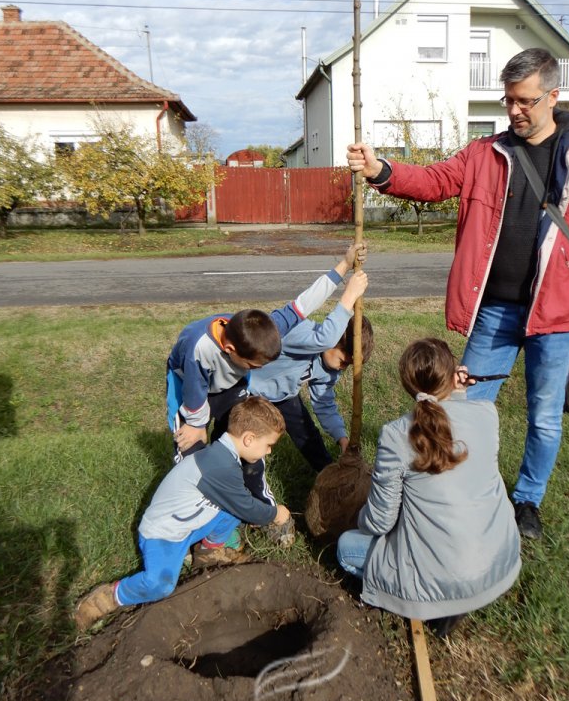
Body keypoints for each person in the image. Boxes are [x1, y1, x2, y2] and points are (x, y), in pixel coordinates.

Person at [347, 48, 569, 540]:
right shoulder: (486, 153)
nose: (515, 111)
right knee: (463, 405)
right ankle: (457, 487)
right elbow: (436, 180)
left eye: (525, 101)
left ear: (553, 96)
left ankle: (527, 501)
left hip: (558, 313)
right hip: (496, 312)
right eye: (509, 100)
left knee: (544, 416)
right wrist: (382, 170)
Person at [337, 338, 521, 637]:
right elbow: (455, 431)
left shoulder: (396, 435)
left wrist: (357, 516)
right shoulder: (487, 412)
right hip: (499, 562)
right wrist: (458, 394)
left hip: (443, 576)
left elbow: (380, 522)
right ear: (454, 373)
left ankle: (425, 604)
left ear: (407, 385)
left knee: (346, 547)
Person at [75, 397, 289, 630]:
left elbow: (240, 504)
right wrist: (275, 513)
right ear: (249, 439)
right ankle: (110, 596)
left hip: (188, 523)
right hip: (163, 534)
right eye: (269, 445)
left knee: (232, 509)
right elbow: (249, 509)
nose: (269, 451)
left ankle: (209, 553)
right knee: (161, 585)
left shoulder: (223, 456)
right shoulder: (221, 467)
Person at [167, 242, 366, 459]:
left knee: (242, 443)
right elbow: (194, 386)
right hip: (202, 389)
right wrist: (196, 424)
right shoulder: (201, 349)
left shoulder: (270, 332)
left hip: (249, 389)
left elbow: (304, 303)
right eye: (253, 366)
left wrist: (345, 264)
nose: (257, 370)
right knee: (200, 442)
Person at [248, 269, 374, 472]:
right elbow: (324, 339)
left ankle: (327, 474)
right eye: (343, 360)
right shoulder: (302, 332)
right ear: (334, 340)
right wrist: (350, 295)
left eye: (348, 365)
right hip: (249, 389)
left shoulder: (329, 370)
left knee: (307, 434)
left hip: (283, 395)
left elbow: (324, 404)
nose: (342, 368)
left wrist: (341, 437)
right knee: (248, 439)